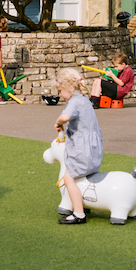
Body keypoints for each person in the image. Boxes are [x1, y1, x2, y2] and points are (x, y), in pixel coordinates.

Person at [54, 68, 104, 225]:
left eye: (61, 91)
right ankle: (85, 203)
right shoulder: (85, 100)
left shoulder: (74, 102)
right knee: (84, 176)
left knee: (69, 179)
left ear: (68, 88)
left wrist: (58, 122)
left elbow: (66, 116)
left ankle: (78, 213)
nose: (60, 95)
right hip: (94, 149)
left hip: (82, 150)